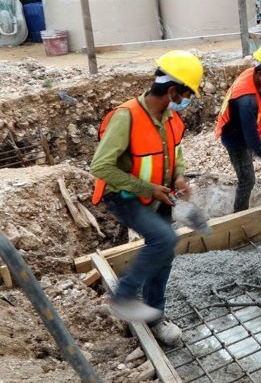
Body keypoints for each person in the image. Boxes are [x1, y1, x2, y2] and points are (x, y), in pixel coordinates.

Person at [90, 50, 204, 344]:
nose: (185, 101)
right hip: (124, 196)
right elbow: (100, 166)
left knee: (164, 254)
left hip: (157, 195)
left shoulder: (170, 119)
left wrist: (178, 175)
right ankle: (123, 296)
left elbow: (175, 152)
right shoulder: (126, 117)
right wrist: (147, 189)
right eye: (185, 94)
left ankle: (155, 316)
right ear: (172, 91)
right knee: (164, 239)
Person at [216, 44, 261, 212]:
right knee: (247, 180)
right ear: (260, 74)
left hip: (251, 125)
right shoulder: (247, 100)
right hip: (234, 137)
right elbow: (252, 140)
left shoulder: (255, 74)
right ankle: (239, 216)